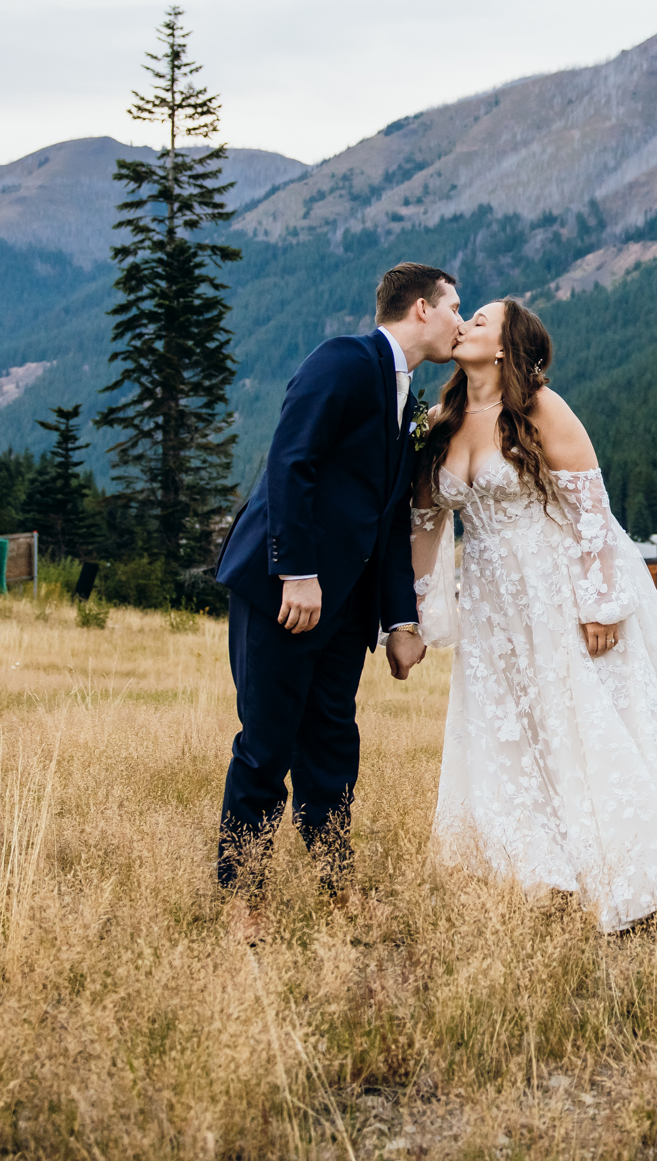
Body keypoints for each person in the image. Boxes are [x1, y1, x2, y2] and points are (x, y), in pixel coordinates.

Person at [408, 296, 657, 932]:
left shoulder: (541, 408)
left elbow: (591, 511)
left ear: (503, 347)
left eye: (481, 320)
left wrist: (601, 605)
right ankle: (533, 873)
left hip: (555, 590)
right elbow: (427, 521)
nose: (464, 324)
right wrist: (418, 611)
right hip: (491, 604)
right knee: (505, 727)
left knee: (577, 723)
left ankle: (639, 878)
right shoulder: (441, 418)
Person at [213, 261, 462, 937]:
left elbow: (382, 523)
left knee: (332, 750)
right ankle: (243, 896)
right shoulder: (345, 360)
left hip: (345, 608)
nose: (461, 323)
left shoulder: (404, 397)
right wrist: (295, 570)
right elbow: (291, 457)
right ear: (419, 310)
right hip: (282, 592)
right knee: (265, 744)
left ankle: (337, 888)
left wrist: (401, 620)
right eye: (454, 307)